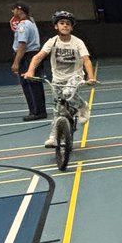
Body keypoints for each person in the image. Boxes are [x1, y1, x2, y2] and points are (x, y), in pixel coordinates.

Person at [24, 11, 96, 148]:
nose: (65, 26)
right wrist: (30, 71)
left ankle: (82, 106)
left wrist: (91, 77)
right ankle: (54, 137)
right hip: (58, 79)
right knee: (57, 109)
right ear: (56, 26)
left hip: (75, 76)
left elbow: (86, 60)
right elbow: (38, 57)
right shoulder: (52, 42)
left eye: (68, 24)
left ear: (72, 27)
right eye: (62, 23)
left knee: (68, 93)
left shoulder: (77, 42)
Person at [10, 1, 46, 121]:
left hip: (27, 57)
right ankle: (37, 110)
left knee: (30, 85)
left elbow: (22, 44)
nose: (12, 12)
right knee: (35, 84)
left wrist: (16, 62)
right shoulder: (31, 21)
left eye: (14, 9)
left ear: (19, 10)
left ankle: (37, 112)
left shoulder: (23, 25)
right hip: (33, 55)